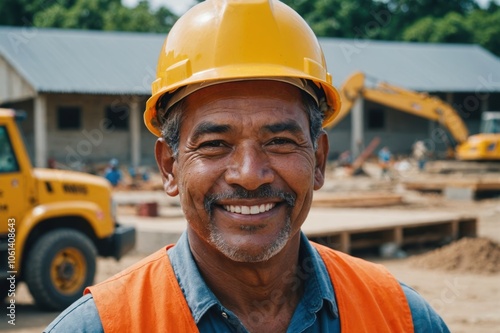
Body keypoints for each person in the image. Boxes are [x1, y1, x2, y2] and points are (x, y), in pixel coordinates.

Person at [45, 0, 449, 332]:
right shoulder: (101, 327)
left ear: (319, 160)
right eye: (216, 144)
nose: (250, 174)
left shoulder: (403, 320)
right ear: (169, 167)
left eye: (279, 141)